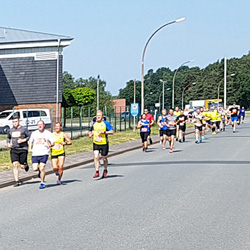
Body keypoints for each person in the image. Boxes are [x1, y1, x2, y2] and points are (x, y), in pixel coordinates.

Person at [29, 120, 55, 189]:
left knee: (42, 167)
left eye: (41, 124)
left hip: (44, 153)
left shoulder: (48, 133)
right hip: (35, 153)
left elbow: (53, 142)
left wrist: (51, 145)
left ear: (44, 125)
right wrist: (29, 148)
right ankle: (40, 172)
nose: (40, 126)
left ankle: (42, 183)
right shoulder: (34, 133)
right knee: (35, 168)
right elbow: (30, 141)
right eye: (38, 125)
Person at [88, 110, 114, 178]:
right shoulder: (94, 124)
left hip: (104, 143)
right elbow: (90, 131)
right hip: (96, 142)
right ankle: (97, 171)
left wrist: (104, 132)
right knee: (96, 156)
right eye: (97, 116)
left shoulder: (106, 123)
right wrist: (90, 134)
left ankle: (105, 170)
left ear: (102, 117)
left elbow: (112, 131)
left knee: (104, 158)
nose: (98, 117)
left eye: (99, 116)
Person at [6, 116, 30, 187]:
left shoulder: (23, 129)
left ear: (19, 121)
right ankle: (17, 181)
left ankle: (25, 166)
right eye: (13, 122)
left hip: (23, 149)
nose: (15, 123)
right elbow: (8, 137)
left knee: (22, 166)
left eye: (16, 121)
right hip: (14, 149)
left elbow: (30, 136)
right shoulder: (11, 130)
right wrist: (8, 143)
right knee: (15, 164)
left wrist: (23, 140)